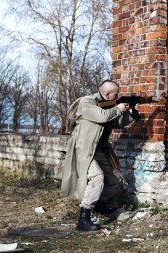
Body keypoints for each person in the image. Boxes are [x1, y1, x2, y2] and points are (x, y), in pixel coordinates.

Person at [61, 80, 137, 231]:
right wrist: (118, 108)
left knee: (114, 183)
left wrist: (131, 110)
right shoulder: (87, 102)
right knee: (97, 177)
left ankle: (99, 205)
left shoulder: (110, 106)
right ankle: (83, 219)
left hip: (100, 149)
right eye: (116, 94)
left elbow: (115, 123)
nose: (118, 96)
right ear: (107, 94)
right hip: (84, 149)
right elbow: (102, 116)